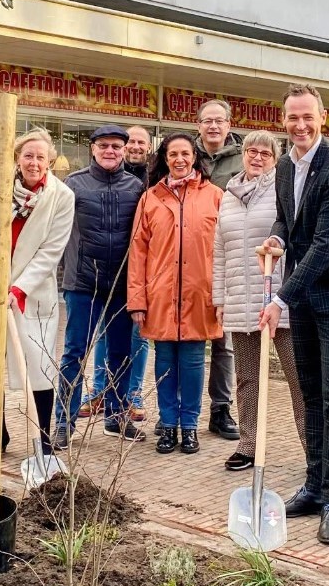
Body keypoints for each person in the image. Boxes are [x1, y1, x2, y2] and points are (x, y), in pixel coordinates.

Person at [260, 83, 329, 545]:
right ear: (283, 120)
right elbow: (289, 219)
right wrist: (277, 239)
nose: (300, 126)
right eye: (291, 118)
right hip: (304, 294)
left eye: (308, 117)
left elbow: (326, 245)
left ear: (323, 118)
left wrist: (280, 297)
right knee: (309, 391)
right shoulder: (285, 165)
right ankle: (313, 484)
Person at [0, 128, 75, 455]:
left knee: (38, 367)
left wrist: (20, 289)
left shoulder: (62, 197)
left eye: (40, 157)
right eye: (28, 155)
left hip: (33, 294)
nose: (34, 162)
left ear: (49, 159)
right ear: (17, 158)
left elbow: (51, 251)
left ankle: (44, 440)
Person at [212, 130, 307, 471]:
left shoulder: (282, 191)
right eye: (251, 151)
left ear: (275, 159)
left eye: (265, 154)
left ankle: (314, 449)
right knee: (247, 377)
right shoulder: (229, 195)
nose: (256, 158)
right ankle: (249, 444)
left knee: (299, 375)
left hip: (280, 297)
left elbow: (295, 239)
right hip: (241, 297)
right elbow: (220, 250)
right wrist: (219, 296)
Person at [128, 133, 224, 455]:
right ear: (165, 159)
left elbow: (224, 250)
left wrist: (221, 294)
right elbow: (138, 251)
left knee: (195, 362)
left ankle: (190, 427)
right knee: (165, 361)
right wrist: (137, 299)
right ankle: (168, 425)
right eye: (173, 154)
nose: (180, 159)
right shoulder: (150, 198)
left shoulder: (214, 196)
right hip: (160, 296)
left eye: (185, 153)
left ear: (194, 157)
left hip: (200, 295)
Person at [54, 125, 147, 448]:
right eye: (105, 145)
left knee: (121, 354)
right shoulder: (74, 184)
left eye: (117, 147)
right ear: (93, 148)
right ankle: (64, 421)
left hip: (121, 285)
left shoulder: (135, 187)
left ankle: (116, 416)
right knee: (75, 354)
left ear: (124, 151)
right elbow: (58, 230)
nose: (111, 151)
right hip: (82, 283)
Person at [86, 124, 152, 421]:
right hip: (105, 273)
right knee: (104, 334)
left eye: (141, 142)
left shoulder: (150, 180)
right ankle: (100, 390)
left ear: (147, 147)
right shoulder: (100, 176)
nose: (136, 146)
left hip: (139, 272)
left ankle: (131, 393)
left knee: (138, 336)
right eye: (132, 140)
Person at [196, 99, 241, 441]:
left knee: (224, 342)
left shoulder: (243, 159)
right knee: (186, 339)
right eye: (207, 121)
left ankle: (220, 409)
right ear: (198, 125)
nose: (213, 126)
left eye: (219, 121)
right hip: (189, 259)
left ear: (228, 125)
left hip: (227, 257)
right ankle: (180, 413)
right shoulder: (183, 154)